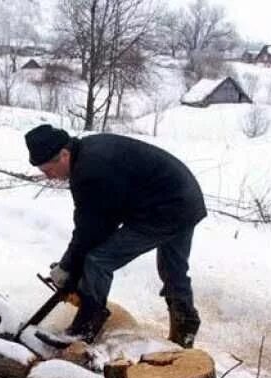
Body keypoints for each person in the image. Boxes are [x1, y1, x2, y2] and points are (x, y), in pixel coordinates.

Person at [24, 124, 206, 347]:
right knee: (173, 269)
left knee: (99, 261)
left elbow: (91, 230)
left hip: (167, 207)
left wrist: (67, 267)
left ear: (63, 154)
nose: (49, 176)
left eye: (47, 170)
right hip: (184, 198)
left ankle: (84, 329)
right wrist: (72, 266)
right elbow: (99, 223)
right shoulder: (88, 152)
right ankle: (185, 327)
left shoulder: (88, 171)